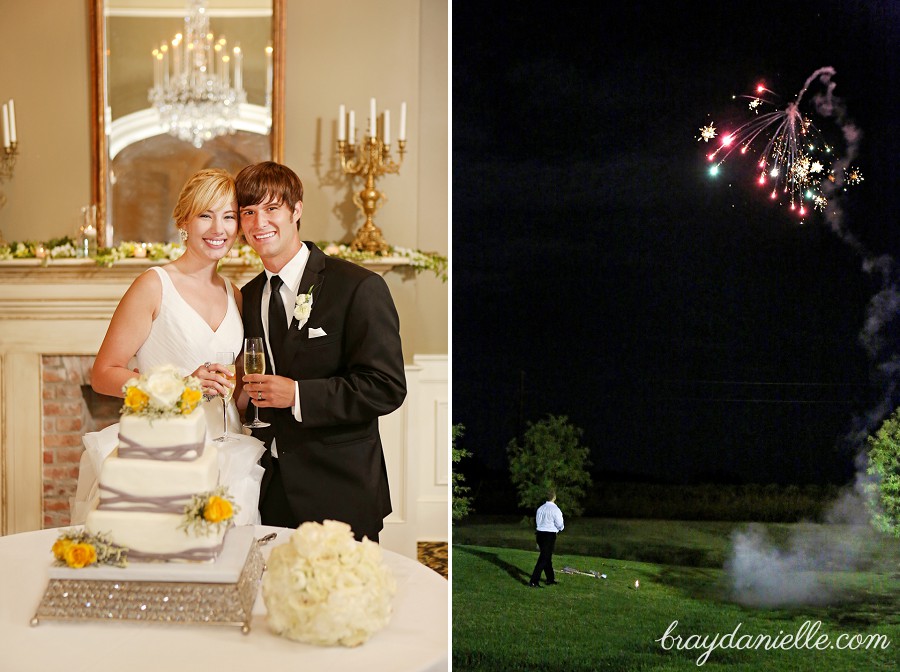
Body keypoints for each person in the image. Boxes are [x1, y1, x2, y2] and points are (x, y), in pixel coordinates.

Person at [70, 168, 265, 526]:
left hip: (228, 449)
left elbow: (236, 393)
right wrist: (179, 386)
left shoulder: (235, 294)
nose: (217, 229)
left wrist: (243, 385)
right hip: (163, 449)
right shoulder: (154, 284)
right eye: (205, 215)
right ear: (184, 222)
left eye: (228, 217)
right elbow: (102, 374)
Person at [235, 161, 407, 542]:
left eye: (271, 208)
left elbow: (386, 386)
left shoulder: (358, 286)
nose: (259, 221)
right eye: (249, 212)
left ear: (296, 210)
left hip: (340, 491)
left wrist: (297, 395)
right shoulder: (245, 297)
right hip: (269, 492)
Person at [529, 490, 564, 587]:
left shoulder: (540, 509)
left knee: (547, 557)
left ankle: (550, 579)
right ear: (554, 497)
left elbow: (538, 522)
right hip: (549, 536)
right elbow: (560, 524)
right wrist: (560, 529)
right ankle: (533, 581)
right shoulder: (556, 510)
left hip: (539, 534)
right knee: (544, 558)